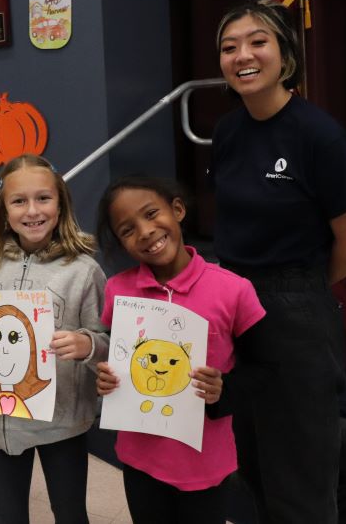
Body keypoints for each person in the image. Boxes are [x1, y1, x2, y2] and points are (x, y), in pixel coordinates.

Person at [211, 0, 346, 523]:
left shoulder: (319, 135)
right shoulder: (227, 133)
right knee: (253, 463)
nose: (243, 55)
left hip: (296, 308)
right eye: (229, 47)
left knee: (300, 479)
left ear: (285, 54)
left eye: (257, 42)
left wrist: (299, 286)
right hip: (234, 306)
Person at [94, 176, 267, 524]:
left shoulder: (234, 290)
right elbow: (119, 358)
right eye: (128, 230)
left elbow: (263, 370)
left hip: (204, 462)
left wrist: (224, 390)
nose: (144, 232)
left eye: (151, 213)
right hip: (138, 457)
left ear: (177, 209)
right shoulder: (117, 291)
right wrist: (106, 379)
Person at [0, 154, 109, 524]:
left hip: (63, 420)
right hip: (5, 419)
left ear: (61, 204)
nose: (32, 210)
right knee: (7, 514)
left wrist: (86, 344)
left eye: (43, 199)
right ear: (4, 210)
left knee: (69, 513)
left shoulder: (84, 270)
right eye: (19, 201)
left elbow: (105, 340)